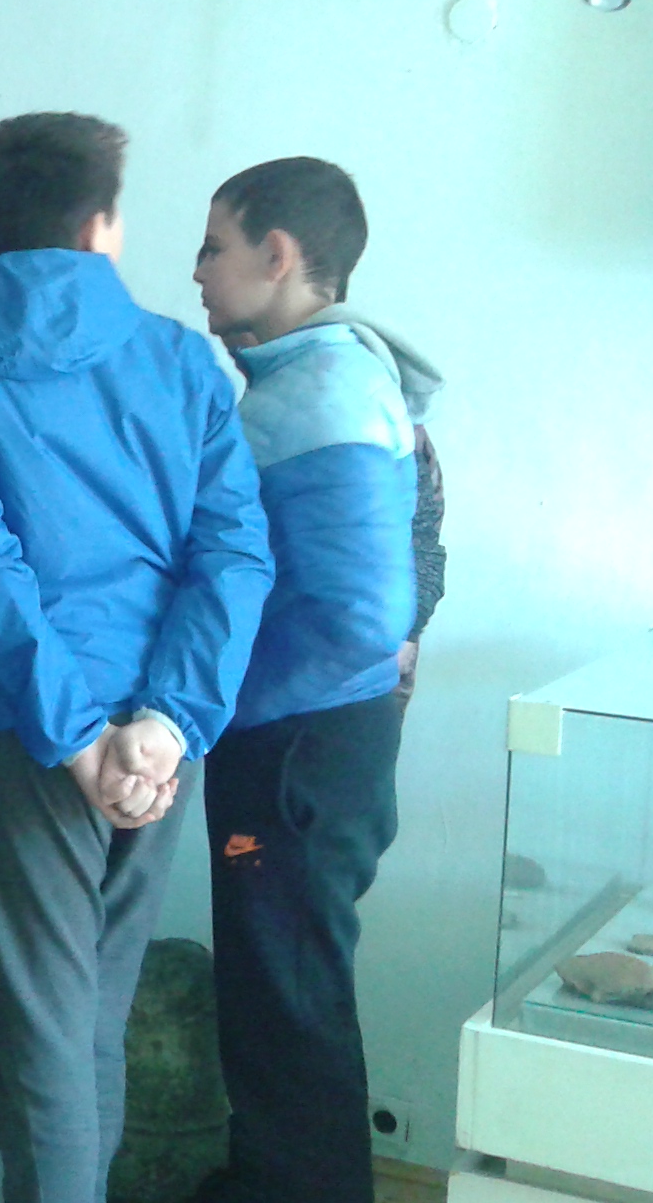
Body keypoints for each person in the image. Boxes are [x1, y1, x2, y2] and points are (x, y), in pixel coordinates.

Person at [0, 112, 273, 1203]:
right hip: (155, 738)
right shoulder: (181, 359)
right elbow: (233, 554)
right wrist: (167, 722)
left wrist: (73, 734)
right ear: (102, 223)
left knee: (38, 1039)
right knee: (90, 1021)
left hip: (23, 725)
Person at [188, 159, 431, 1203]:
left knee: (287, 1006)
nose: (197, 271)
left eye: (214, 247)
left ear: (278, 255)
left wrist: (206, 711)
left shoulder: (326, 388)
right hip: (315, 742)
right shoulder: (321, 378)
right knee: (282, 997)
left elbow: (363, 617)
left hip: (297, 748)